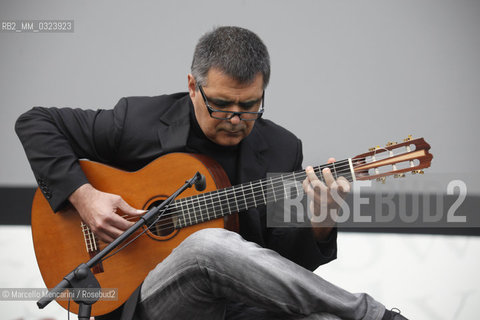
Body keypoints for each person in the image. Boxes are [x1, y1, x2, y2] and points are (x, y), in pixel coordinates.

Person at [16, 26, 407, 320]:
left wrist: (320, 224)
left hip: (239, 309)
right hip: (139, 302)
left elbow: (281, 271)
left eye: (250, 106)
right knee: (209, 245)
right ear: (192, 86)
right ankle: (374, 315)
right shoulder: (139, 121)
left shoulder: (283, 149)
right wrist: (85, 197)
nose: (236, 119)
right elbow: (36, 123)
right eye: (221, 105)